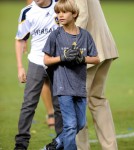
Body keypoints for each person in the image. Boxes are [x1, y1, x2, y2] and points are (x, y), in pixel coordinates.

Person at [42, 0, 100, 149]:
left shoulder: (85, 36)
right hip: (63, 87)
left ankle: (57, 143)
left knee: (80, 124)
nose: (60, 15)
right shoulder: (55, 35)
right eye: (58, 12)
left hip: (79, 86)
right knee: (70, 125)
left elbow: (96, 59)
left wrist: (82, 58)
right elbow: (46, 60)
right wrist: (62, 58)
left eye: (64, 12)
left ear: (74, 14)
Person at [14, 0, 59, 149]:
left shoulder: (60, 5)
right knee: (28, 104)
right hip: (36, 63)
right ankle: (21, 144)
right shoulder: (27, 12)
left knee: (60, 105)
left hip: (57, 62)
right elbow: (20, 39)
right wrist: (20, 67)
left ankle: (61, 142)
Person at [75, 0, 119, 150]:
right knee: (97, 99)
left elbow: (82, 15)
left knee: (76, 102)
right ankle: (110, 147)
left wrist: (69, 45)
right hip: (104, 47)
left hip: (87, 52)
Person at [25, 0, 55, 128]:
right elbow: (31, 7)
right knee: (45, 80)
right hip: (41, 41)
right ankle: (51, 113)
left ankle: (53, 114)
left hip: (56, 33)